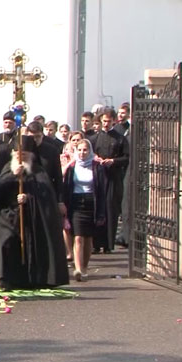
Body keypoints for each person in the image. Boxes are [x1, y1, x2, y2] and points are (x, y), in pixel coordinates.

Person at [0, 143, 69, 289]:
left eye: (24, 154)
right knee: (6, 240)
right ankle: (7, 278)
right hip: (9, 215)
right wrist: (13, 175)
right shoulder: (7, 168)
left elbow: (45, 195)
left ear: (31, 155)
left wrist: (28, 197)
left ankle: (33, 278)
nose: (20, 156)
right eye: (17, 153)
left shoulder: (39, 171)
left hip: (33, 216)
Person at [62, 139, 107, 281]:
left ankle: (85, 267)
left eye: (85, 150)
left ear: (90, 151)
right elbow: (65, 184)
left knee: (88, 239)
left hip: (91, 202)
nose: (82, 153)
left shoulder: (97, 167)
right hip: (76, 202)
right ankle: (78, 269)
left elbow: (101, 189)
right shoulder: (72, 166)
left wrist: (101, 210)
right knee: (78, 237)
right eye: (79, 150)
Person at [90, 109, 129, 253]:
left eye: (108, 121)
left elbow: (126, 157)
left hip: (113, 177)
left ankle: (108, 244)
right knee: (97, 208)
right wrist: (96, 159)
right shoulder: (94, 138)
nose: (106, 124)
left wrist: (113, 161)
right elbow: (89, 155)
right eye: (103, 121)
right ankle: (96, 244)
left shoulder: (120, 138)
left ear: (113, 121)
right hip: (98, 178)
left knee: (110, 210)